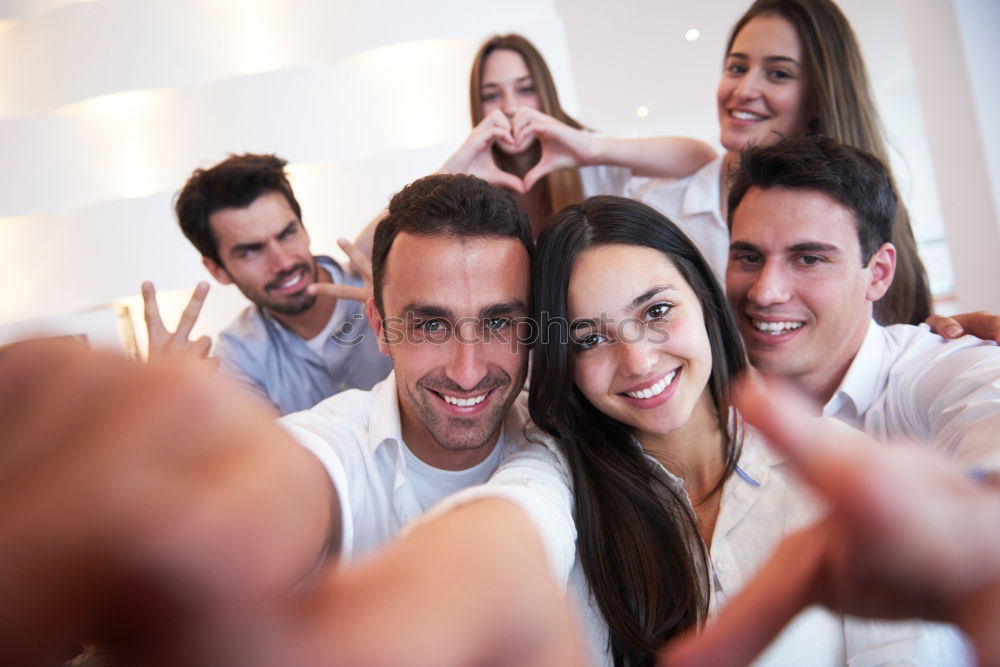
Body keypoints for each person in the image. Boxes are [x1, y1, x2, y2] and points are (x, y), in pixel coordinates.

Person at [0, 174, 580, 664]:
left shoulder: (564, 433)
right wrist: (172, 521)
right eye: (431, 324)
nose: (467, 368)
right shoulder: (316, 422)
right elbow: (288, 479)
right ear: (379, 325)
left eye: (501, 322)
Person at [527, 195, 965, 665]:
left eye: (655, 312)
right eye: (590, 338)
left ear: (703, 299)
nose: (639, 361)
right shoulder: (566, 499)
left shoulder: (835, 468)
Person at [661, 376, 1000, 667]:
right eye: (603, 337)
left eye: (659, 310)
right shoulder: (608, 532)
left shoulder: (833, 459)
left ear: (706, 309)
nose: (638, 361)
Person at [635, 0, 931, 326]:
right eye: (736, 68)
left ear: (819, 97)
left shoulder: (864, 222)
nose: (745, 89)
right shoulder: (659, 205)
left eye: (778, 74)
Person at [726, 135, 1000, 471]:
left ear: (878, 274)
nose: (764, 293)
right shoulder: (702, 403)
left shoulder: (929, 370)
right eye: (749, 257)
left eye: (809, 259)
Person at [145, 152, 392, 415]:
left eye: (287, 234)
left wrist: (403, 311)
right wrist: (162, 406)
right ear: (218, 270)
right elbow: (270, 453)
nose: (283, 263)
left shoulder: (388, 285)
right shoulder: (237, 357)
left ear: (304, 228)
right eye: (251, 251)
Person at [438, 33, 717, 237]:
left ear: (546, 94)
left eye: (526, 89)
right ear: (477, 107)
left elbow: (700, 158)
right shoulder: (471, 188)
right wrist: (452, 173)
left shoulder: (592, 165)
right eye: (491, 95)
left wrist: (594, 149)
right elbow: (396, 234)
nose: (510, 107)